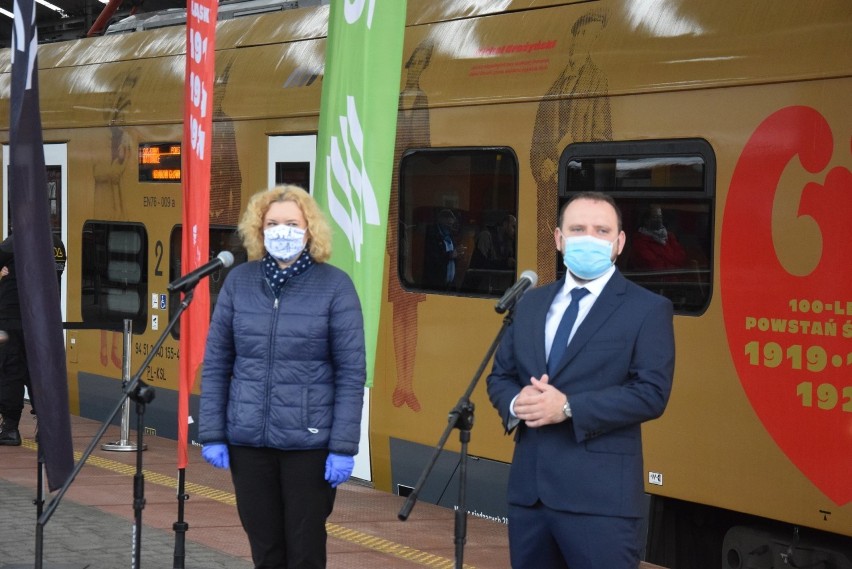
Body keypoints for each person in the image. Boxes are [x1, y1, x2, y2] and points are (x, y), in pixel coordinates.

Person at [486, 192, 674, 569]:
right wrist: (514, 402)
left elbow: (651, 394)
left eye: (602, 230)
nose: (589, 238)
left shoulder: (647, 309)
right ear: (558, 239)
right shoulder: (530, 304)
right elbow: (500, 376)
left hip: (601, 504)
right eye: (577, 229)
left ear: (619, 243)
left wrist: (568, 407)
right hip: (531, 497)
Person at [198, 185, 366, 569]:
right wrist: (213, 432)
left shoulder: (335, 286)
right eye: (272, 223)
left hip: (309, 446)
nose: (281, 231)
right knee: (265, 548)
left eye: (291, 223)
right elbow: (218, 361)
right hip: (249, 443)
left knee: (305, 549)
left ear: (310, 230)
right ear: (258, 230)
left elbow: (351, 372)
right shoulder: (239, 282)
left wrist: (342, 445)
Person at [0, 233, 67, 446]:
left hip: (13, 318)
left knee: (11, 372)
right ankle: (48, 429)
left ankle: (10, 428)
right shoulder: (57, 245)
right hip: (44, 322)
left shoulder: (14, 242)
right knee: (40, 373)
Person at [628, 204, 687, 272]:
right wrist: (673, 263)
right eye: (655, 217)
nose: (659, 220)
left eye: (660, 217)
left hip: (675, 280)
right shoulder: (640, 241)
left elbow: (681, 258)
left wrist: (666, 261)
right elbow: (655, 266)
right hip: (655, 281)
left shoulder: (669, 237)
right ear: (646, 220)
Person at [422, 208, 463, 289]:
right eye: (449, 224)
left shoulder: (450, 235)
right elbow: (432, 259)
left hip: (450, 285)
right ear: (441, 220)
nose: (451, 226)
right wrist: (450, 255)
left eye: (452, 224)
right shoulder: (432, 235)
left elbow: (453, 257)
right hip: (436, 285)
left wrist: (458, 255)